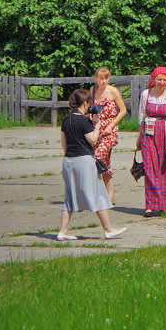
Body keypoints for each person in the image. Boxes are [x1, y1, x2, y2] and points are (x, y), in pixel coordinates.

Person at [55, 89, 127, 241]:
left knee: (70, 196)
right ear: (86, 103)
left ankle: (63, 230)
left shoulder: (65, 121)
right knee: (98, 194)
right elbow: (93, 140)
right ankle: (108, 229)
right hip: (84, 161)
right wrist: (98, 125)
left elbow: (64, 144)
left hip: (68, 161)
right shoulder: (84, 121)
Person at [135, 66, 166, 217]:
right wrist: (138, 139)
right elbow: (142, 117)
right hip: (148, 135)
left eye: (164, 80)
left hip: (165, 133)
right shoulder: (146, 94)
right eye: (159, 79)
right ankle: (150, 205)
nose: (162, 82)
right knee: (150, 169)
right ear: (153, 79)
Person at [90, 66, 127, 203]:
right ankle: (109, 194)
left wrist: (111, 125)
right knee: (104, 162)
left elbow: (123, 110)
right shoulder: (93, 90)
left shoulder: (113, 91)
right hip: (97, 128)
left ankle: (101, 192)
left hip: (110, 130)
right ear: (96, 79)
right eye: (101, 78)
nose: (104, 81)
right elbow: (91, 108)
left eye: (106, 78)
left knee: (98, 157)